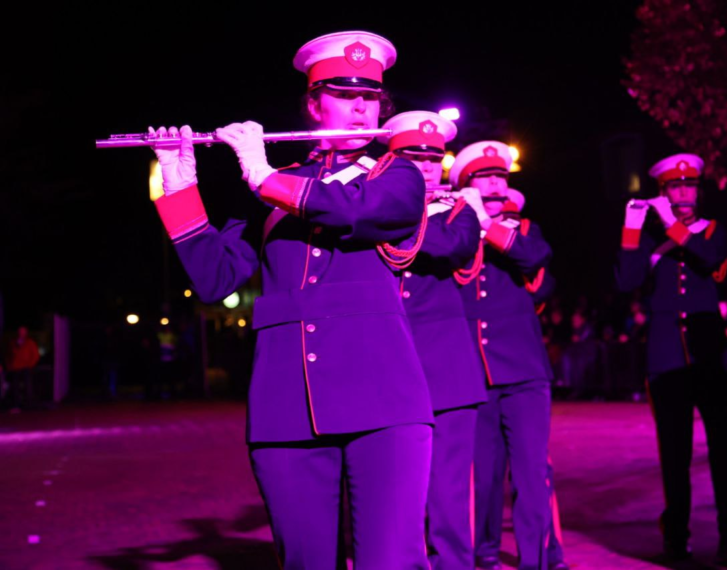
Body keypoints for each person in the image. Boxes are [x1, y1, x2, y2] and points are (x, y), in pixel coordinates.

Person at [149, 31, 434, 569]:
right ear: (312, 102)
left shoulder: (393, 175)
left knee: (389, 561)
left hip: (386, 403)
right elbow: (215, 279)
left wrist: (261, 174)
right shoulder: (279, 186)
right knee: (305, 562)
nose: (358, 107)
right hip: (287, 409)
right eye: (344, 94)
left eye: (370, 97)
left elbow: (355, 214)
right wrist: (179, 185)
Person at [614, 153, 727, 566]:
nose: (685, 194)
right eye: (676, 188)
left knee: (722, 450)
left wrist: (670, 225)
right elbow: (626, 281)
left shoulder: (714, 231)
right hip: (667, 355)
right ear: (663, 192)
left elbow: (708, 259)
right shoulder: (652, 239)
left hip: (708, 352)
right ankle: (676, 540)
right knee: (674, 454)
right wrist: (633, 228)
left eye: (690, 187)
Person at [380, 110, 488, 569]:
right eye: (412, 157)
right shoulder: (372, 202)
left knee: (448, 493)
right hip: (385, 365)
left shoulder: (459, 210)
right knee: (390, 488)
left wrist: (384, 217)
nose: (425, 166)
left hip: (447, 371)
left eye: (433, 158)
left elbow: (452, 246)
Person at [450, 141, 553, 570]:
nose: (495, 182)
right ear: (466, 184)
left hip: (524, 372)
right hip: (472, 370)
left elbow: (535, 260)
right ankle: (483, 550)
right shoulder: (451, 227)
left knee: (531, 475)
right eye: (484, 176)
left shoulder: (523, 229)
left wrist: (487, 225)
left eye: (501, 176)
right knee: (482, 476)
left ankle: (537, 558)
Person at [5, 326, 40, 411]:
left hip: (26, 368)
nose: (21, 334)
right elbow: (9, 355)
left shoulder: (30, 343)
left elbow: (36, 356)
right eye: (20, 332)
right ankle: (16, 404)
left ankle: (29, 405)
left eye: (23, 332)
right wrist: (9, 366)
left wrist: (30, 365)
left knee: (28, 386)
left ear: (26, 333)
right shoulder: (13, 343)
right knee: (15, 387)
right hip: (15, 368)